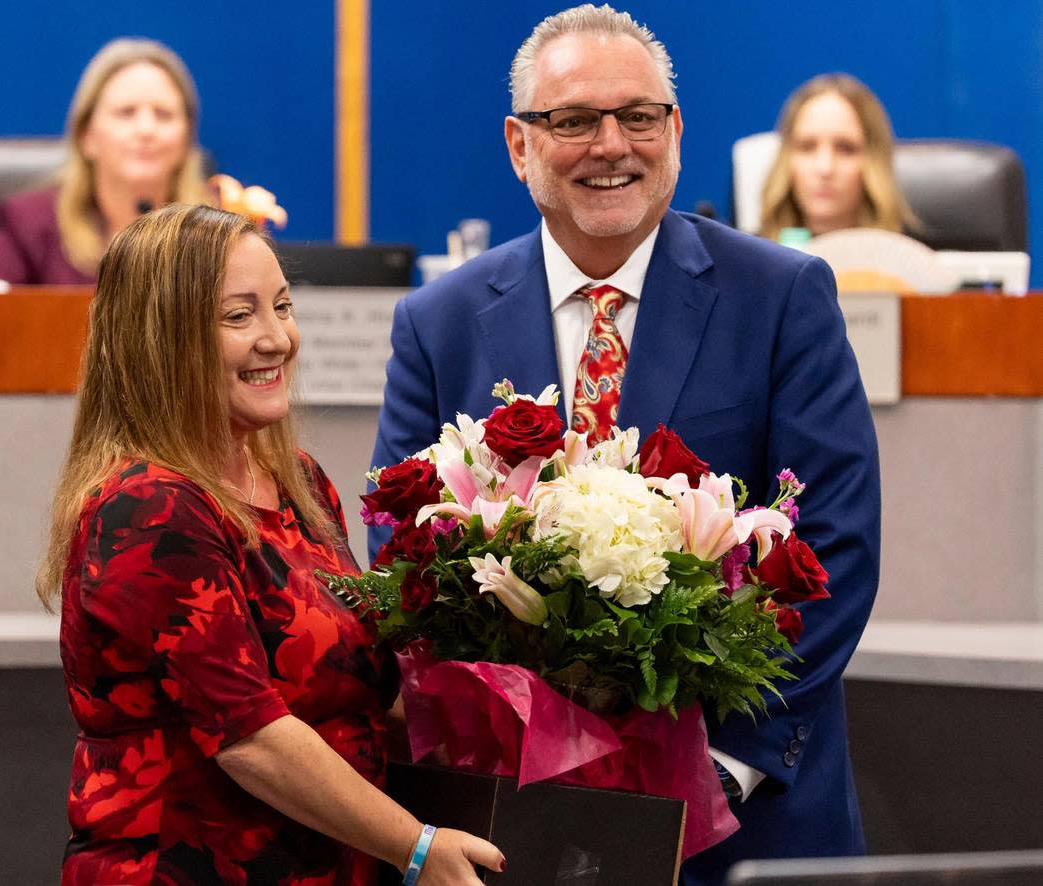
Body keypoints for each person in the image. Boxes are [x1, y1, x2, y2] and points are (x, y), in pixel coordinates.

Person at [369, 5, 880, 885]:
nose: (612, 144)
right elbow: (402, 559)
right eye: (573, 121)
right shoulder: (437, 324)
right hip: (513, 818)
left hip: (746, 817)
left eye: (638, 117)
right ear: (519, 145)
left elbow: (835, 545)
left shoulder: (782, 296)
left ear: (674, 131)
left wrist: (718, 770)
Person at [36, 203, 504, 884]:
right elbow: (251, 737)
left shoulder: (298, 481)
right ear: (161, 338)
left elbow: (361, 692)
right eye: (238, 316)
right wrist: (416, 848)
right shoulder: (149, 508)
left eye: (282, 307)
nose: (277, 338)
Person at [0, 38, 211, 286]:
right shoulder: (30, 224)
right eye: (126, 113)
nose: (146, 129)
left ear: (187, 138)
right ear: (87, 136)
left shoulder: (216, 231)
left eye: (164, 115)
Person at [758, 73, 917, 240]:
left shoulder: (914, 260)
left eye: (845, 149)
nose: (824, 168)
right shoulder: (748, 260)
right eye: (807, 147)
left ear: (874, 161)